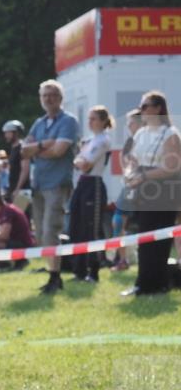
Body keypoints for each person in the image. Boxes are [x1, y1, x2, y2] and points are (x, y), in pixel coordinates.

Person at [18, 80, 80, 294]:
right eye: (44, 95)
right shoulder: (39, 123)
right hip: (39, 184)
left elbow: (59, 151)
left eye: (52, 95)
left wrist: (37, 149)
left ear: (61, 98)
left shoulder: (69, 121)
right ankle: (52, 272)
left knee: (51, 230)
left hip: (57, 183)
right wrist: (45, 144)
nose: (48, 99)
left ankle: (55, 277)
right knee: (41, 234)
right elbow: (24, 151)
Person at [121, 91, 181, 296]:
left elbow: (171, 167)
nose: (142, 110)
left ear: (158, 108)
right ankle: (143, 283)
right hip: (143, 190)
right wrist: (130, 174)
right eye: (141, 106)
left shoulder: (170, 133)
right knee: (144, 236)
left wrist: (144, 176)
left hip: (163, 191)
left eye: (146, 106)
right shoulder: (141, 133)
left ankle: (158, 284)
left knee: (159, 239)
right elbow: (132, 160)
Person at [68, 106, 114, 282]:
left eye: (93, 118)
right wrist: (79, 161)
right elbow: (77, 162)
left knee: (92, 228)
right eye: (89, 118)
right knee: (76, 226)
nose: (90, 122)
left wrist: (79, 160)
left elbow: (85, 164)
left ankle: (94, 270)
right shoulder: (90, 140)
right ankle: (78, 270)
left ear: (103, 121)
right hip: (82, 184)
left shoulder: (103, 140)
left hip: (93, 184)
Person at [111, 109, 144, 272]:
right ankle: (122, 260)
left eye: (131, 122)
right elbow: (124, 162)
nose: (128, 126)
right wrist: (128, 174)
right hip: (129, 188)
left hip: (147, 188)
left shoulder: (149, 140)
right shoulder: (129, 142)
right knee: (117, 221)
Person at [2, 120, 27, 208]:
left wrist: (18, 189)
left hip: (22, 191)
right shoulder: (13, 148)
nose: (6, 136)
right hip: (13, 190)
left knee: (21, 214)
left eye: (8, 133)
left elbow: (25, 170)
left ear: (16, 133)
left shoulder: (23, 148)